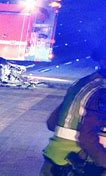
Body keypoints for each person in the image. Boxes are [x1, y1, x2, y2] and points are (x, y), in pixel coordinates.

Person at [41, 44, 106, 175]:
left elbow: (51, 123)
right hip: (72, 167)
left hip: (52, 163)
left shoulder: (82, 83)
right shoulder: (102, 92)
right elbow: (87, 139)